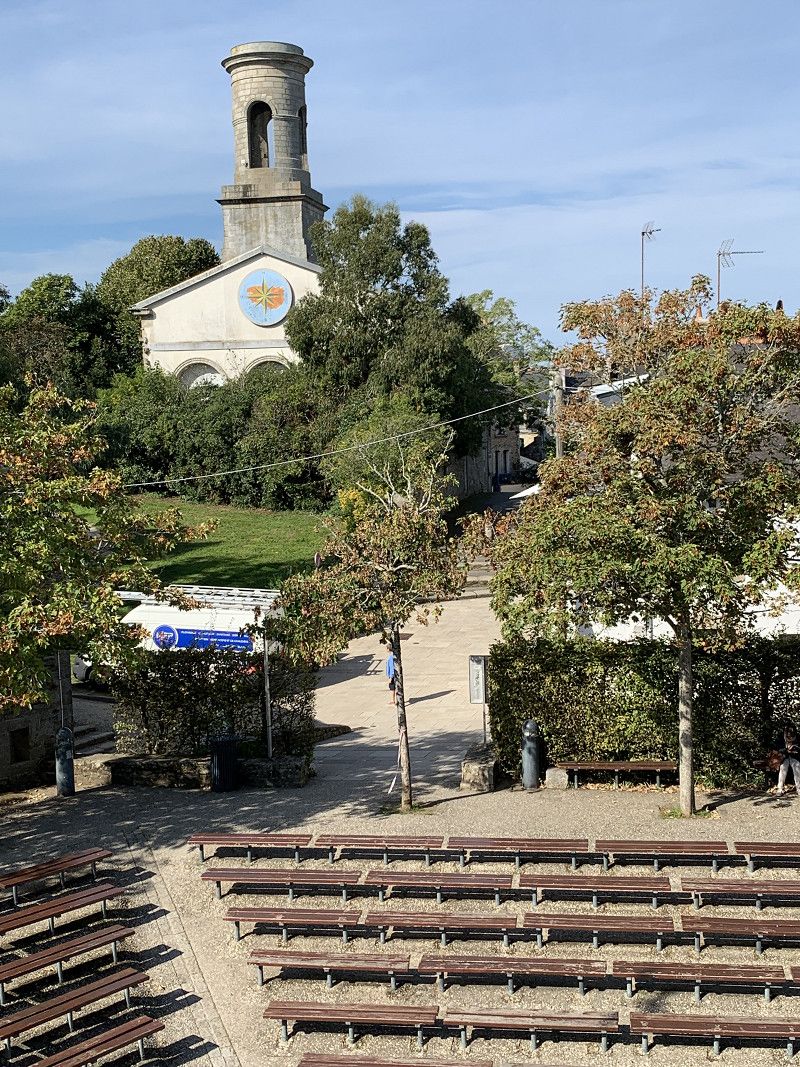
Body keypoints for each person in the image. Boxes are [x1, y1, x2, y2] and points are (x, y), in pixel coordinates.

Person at [774, 724, 800, 796]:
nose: (790, 735)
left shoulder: (798, 737)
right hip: (784, 757)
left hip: (795, 756)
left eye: (791, 733)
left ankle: (799, 788)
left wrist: (795, 749)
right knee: (783, 768)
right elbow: (778, 748)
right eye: (788, 732)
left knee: (797, 767)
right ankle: (780, 788)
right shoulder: (780, 738)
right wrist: (786, 749)